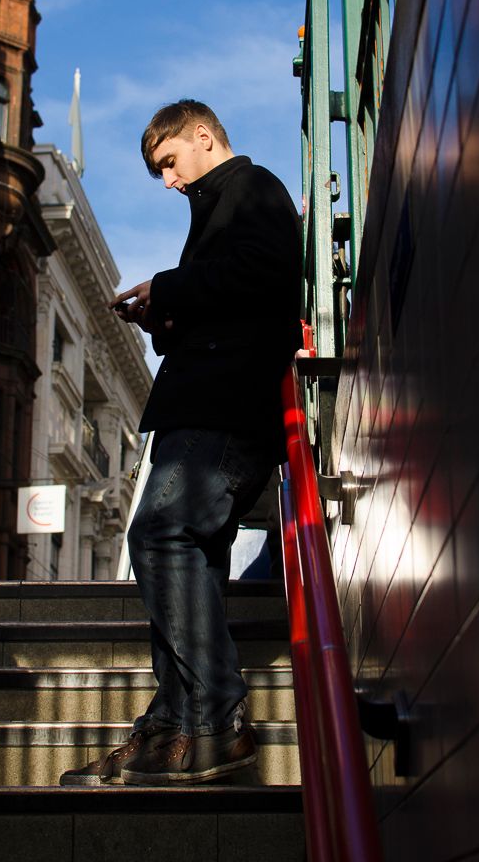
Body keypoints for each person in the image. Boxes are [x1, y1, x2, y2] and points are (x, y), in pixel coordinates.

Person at [60, 99, 302, 787]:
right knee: (183, 554)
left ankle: (215, 719)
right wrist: (162, 312)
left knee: (161, 536)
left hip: (225, 409)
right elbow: (230, 293)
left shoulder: (251, 188)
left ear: (203, 137)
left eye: (169, 163)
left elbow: (266, 275)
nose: (168, 181)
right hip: (210, 403)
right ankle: (171, 724)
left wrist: (167, 288)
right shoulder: (219, 208)